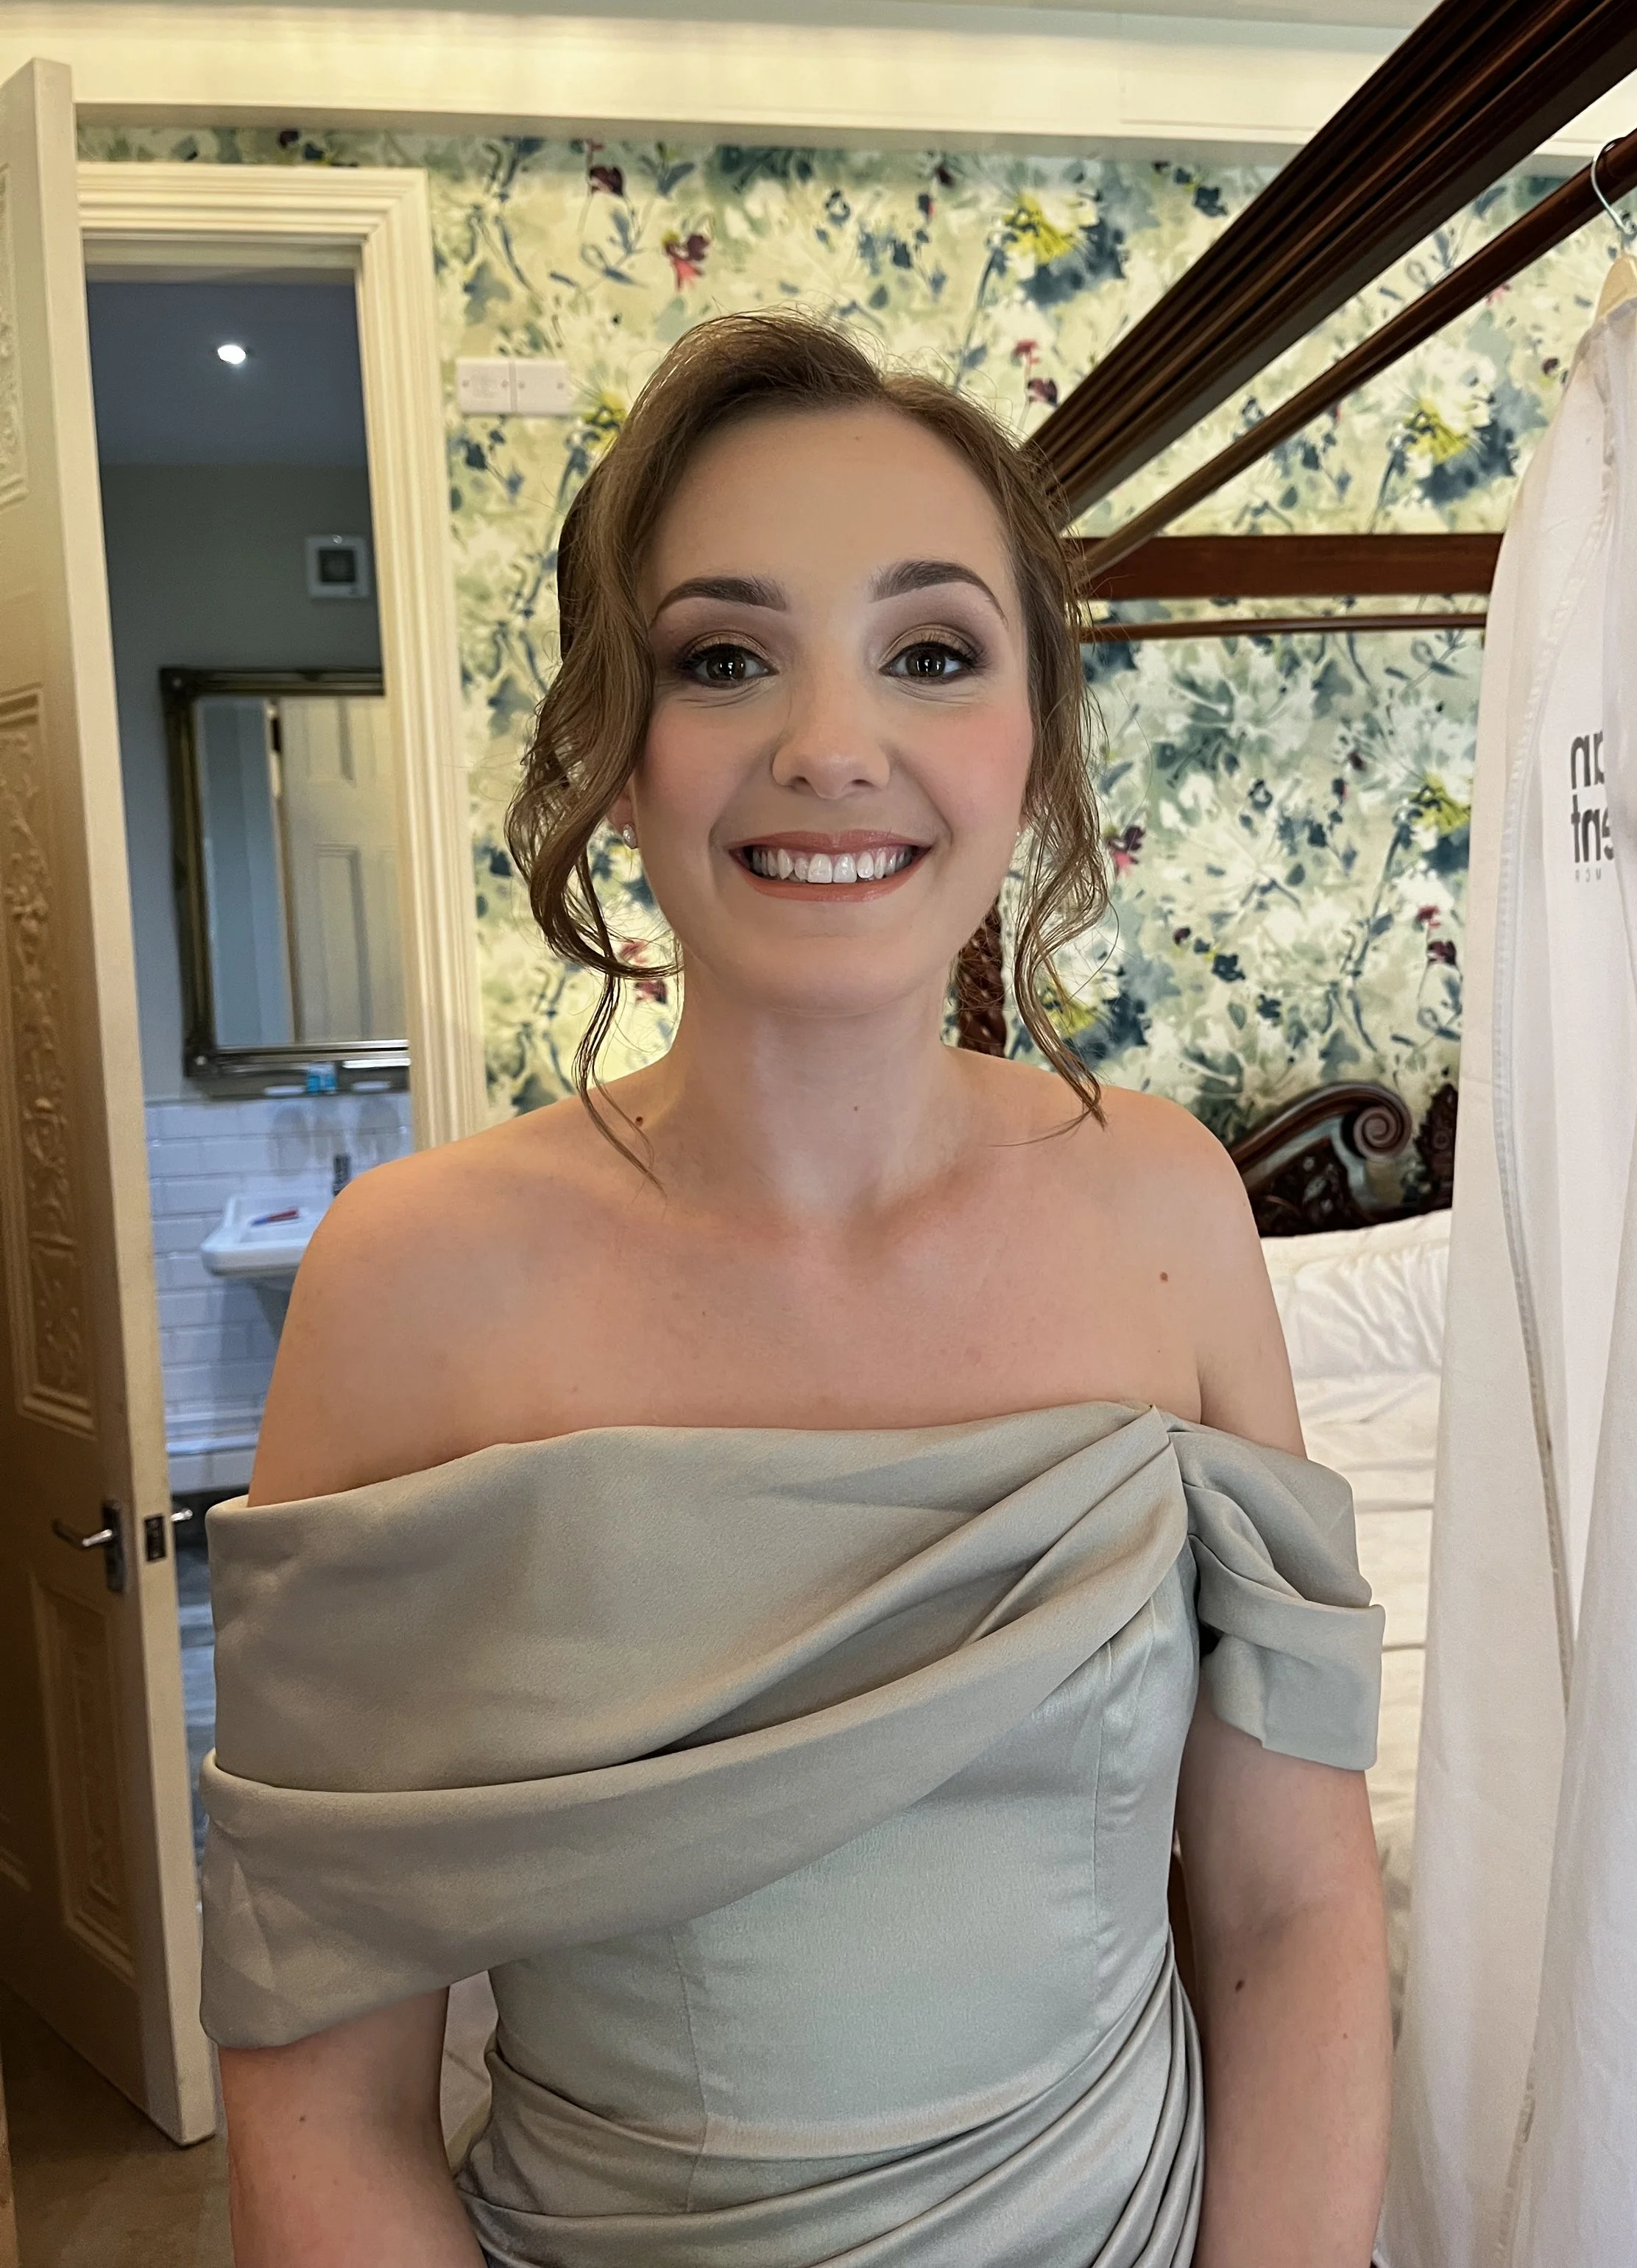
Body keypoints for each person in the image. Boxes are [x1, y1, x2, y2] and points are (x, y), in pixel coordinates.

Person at [202, 313, 1391, 2267]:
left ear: (1035, 738)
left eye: (927, 652)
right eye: (725, 654)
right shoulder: (408, 1288)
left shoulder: (1168, 1211)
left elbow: (1290, 1907)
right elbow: (321, 2083)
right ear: (617, 735)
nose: (830, 743)